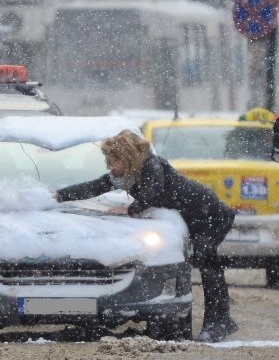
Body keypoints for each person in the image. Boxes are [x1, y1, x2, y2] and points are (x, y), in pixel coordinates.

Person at [54, 129, 237, 342]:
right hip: (194, 217)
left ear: (127, 157)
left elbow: (154, 191)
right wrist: (60, 195)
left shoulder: (152, 165)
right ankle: (218, 320)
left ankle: (218, 322)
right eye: (108, 161)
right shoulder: (128, 175)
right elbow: (97, 185)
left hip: (209, 214)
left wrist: (130, 209)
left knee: (207, 264)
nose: (111, 167)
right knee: (204, 262)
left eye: (113, 161)